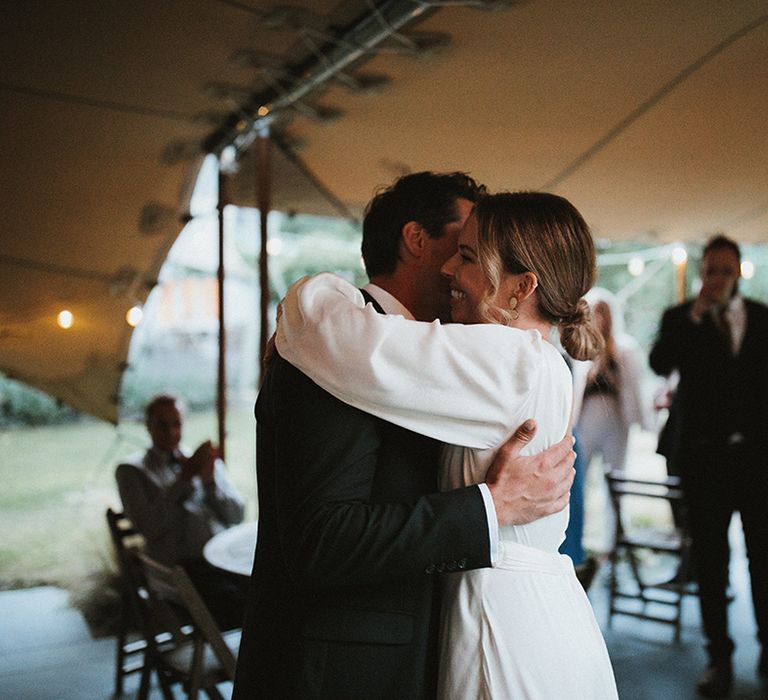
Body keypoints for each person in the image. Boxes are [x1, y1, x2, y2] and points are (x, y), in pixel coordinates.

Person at [233, 173, 578, 699]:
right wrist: (489, 507)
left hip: (441, 648)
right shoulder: (333, 353)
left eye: (472, 253)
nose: (454, 268)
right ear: (417, 240)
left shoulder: (442, 356)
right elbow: (321, 541)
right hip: (337, 675)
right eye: (461, 246)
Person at [650, 235, 768, 698]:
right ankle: (718, 656)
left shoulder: (761, 318)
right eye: (711, 270)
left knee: (764, 559)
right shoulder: (680, 318)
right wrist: (697, 313)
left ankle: (766, 645)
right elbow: (660, 362)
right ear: (702, 273)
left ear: (739, 271)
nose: (718, 278)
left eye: (726, 269)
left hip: (758, 462)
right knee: (710, 562)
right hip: (704, 461)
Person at [115, 394, 246, 630]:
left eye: (176, 424)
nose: (170, 432)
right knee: (242, 605)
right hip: (181, 572)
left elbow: (237, 516)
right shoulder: (132, 472)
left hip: (222, 561)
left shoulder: (202, 460)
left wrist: (209, 483)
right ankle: (235, 663)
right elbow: (149, 528)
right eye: (161, 424)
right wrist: (184, 480)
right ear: (148, 426)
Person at [572, 291, 653, 552]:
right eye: (594, 312)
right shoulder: (582, 348)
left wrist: (644, 423)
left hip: (616, 421)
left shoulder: (625, 349)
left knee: (616, 480)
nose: (599, 319)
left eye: (603, 313)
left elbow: (635, 388)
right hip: (586, 420)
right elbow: (576, 390)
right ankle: (577, 538)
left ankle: (612, 541)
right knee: (579, 479)